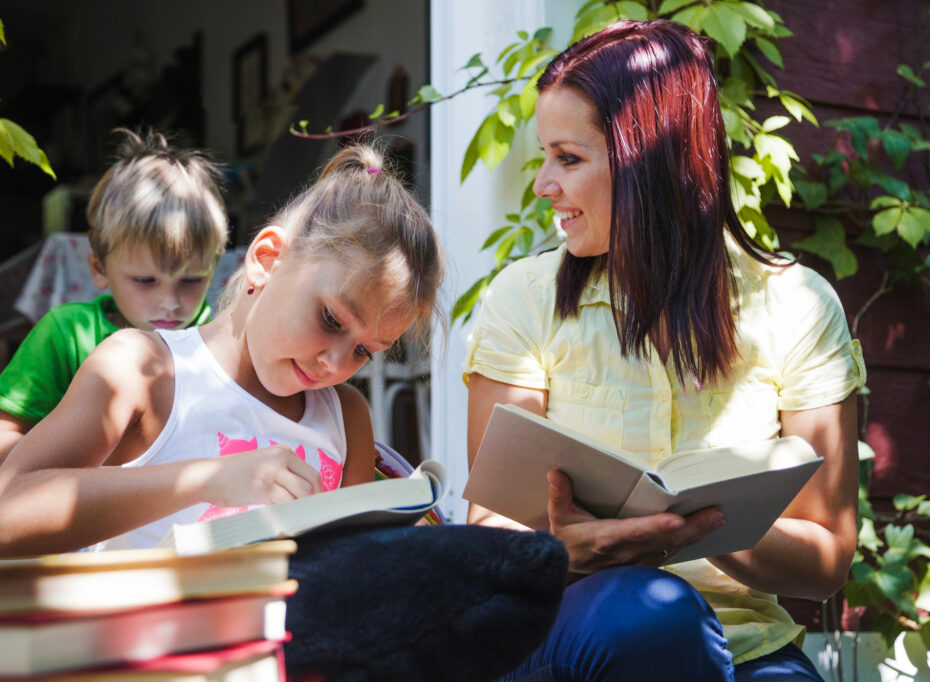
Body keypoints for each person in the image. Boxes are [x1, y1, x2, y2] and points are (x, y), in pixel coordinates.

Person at [0, 143, 570, 681]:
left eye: (365, 351)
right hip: (140, 656)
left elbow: (345, 577)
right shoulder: (144, 370)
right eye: (331, 319)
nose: (335, 362)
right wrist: (207, 480)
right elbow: (9, 509)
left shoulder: (345, 415)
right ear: (267, 261)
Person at [463, 20, 866, 682]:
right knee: (649, 612)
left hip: (747, 648)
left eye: (568, 158)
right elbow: (490, 533)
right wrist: (568, 550)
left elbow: (827, 561)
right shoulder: (524, 298)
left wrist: (701, 528)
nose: (544, 185)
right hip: (566, 632)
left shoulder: (799, 307)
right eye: (547, 155)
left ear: (650, 162)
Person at [0, 127, 229, 461]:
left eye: (191, 280)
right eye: (145, 281)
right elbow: (7, 432)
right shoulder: (66, 335)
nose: (170, 302)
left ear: (215, 264)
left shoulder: (222, 339)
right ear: (99, 269)